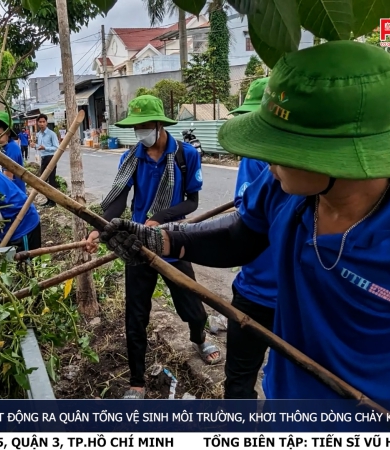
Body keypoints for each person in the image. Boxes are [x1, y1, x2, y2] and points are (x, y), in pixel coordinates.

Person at [96, 41, 390, 431]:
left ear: (337, 156)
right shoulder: (285, 190)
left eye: (280, 147)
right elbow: (244, 235)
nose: (262, 158)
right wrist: (164, 240)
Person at [84, 95, 220, 400]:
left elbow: (192, 201)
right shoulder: (132, 157)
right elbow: (119, 198)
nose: (140, 133)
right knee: (136, 315)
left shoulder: (185, 156)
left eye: (145, 126)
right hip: (138, 243)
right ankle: (136, 380)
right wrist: (99, 228)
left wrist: (157, 219)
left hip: (173, 240)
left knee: (192, 305)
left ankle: (199, 337)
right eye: (136, 127)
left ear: (160, 125)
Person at [164, 77, 276, 399]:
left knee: (285, 381)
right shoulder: (263, 166)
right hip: (254, 289)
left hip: (298, 300)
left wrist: (165, 231)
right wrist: (162, 238)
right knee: (239, 381)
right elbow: (239, 234)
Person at [0, 111, 27, 193]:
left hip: (14, 196)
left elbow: (8, 179)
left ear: (8, 133)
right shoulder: (4, 147)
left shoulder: (11, 149)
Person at [35, 114, 59, 207]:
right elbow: (40, 147)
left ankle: (53, 202)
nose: (41, 124)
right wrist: (35, 146)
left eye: (43, 122)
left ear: (46, 122)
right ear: (37, 123)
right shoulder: (39, 134)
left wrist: (45, 148)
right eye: (40, 122)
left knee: (51, 180)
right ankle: (49, 200)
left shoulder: (51, 134)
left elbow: (56, 147)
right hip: (43, 158)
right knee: (43, 181)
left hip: (51, 158)